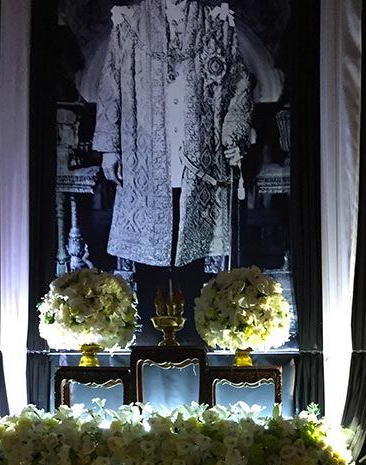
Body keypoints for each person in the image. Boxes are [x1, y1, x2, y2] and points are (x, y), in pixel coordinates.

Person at [93, 0, 253, 271]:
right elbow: (110, 87)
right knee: (150, 264)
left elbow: (239, 85)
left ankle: (191, 309)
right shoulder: (129, 23)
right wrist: (110, 149)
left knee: (191, 259)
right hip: (144, 156)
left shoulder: (217, 24)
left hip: (200, 157)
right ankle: (147, 309)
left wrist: (232, 136)